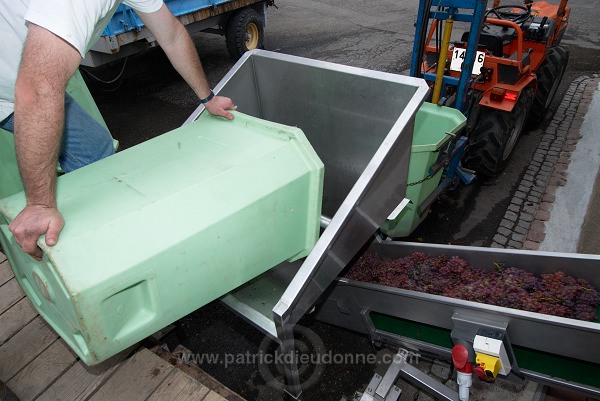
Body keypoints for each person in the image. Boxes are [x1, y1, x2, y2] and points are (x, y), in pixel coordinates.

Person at [0, 0, 237, 259]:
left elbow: (172, 34)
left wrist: (208, 98)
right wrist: (39, 205)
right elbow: (36, 89)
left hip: (27, 73)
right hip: (15, 87)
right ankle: (94, 255)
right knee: (91, 154)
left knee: (94, 148)